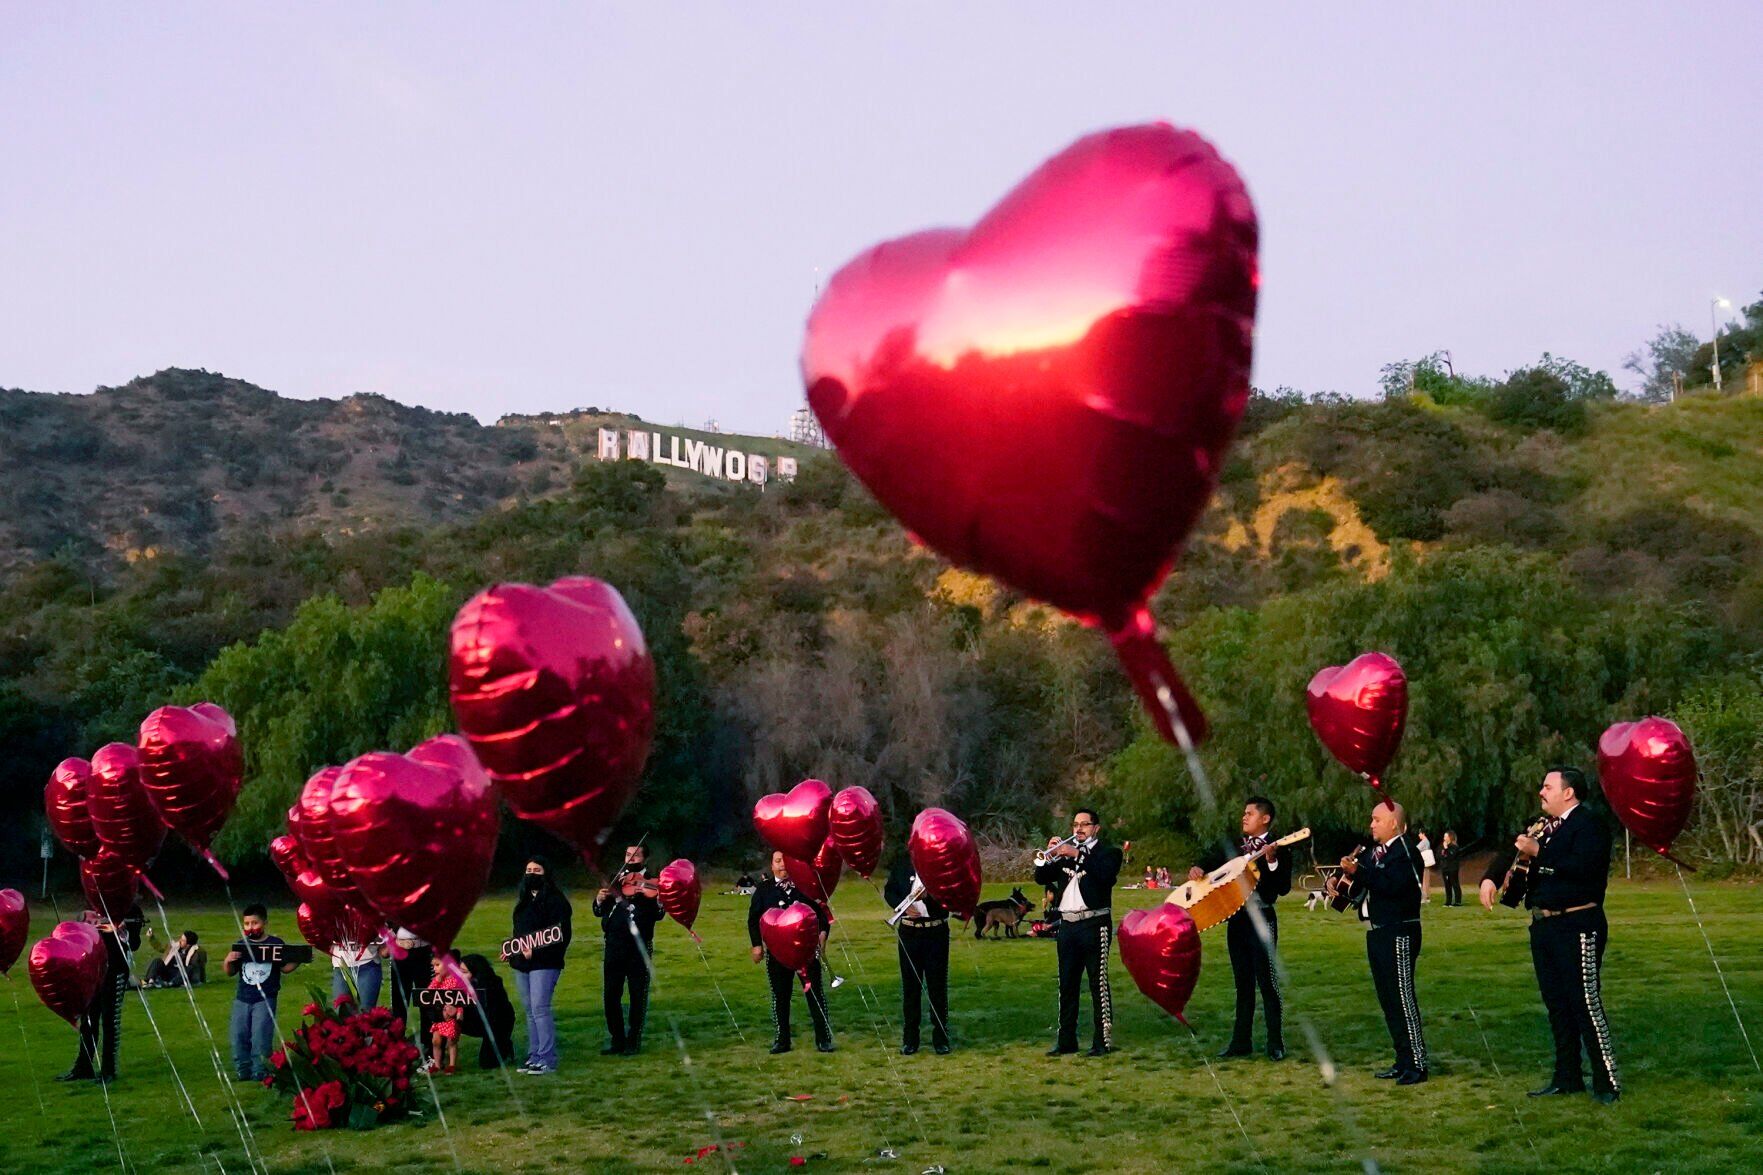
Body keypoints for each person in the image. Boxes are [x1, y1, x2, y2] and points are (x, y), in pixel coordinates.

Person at [1479, 767, 1620, 1104]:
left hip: (1578, 923)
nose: (1541, 792)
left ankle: (1606, 1081)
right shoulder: (1543, 826)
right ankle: (1567, 1076)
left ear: (1568, 793)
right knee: (1556, 1004)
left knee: (1585, 1002)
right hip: (1544, 926)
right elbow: (1512, 849)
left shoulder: (1590, 825)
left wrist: (1540, 852)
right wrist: (1491, 877)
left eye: (1547, 786)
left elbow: (1582, 866)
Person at [1191, 797, 1291, 1061]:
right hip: (1237, 921)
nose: (1244, 817)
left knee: (1267, 981)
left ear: (1265, 818)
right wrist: (1199, 866)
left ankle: (1275, 1042)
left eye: (1249, 813)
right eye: (1243, 813)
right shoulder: (1235, 845)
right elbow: (1210, 857)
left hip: (1263, 919)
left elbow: (1281, 888)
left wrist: (1271, 862)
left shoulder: (1279, 847)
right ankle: (1241, 1041)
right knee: (1242, 983)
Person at [1340, 802, 1427, 1085]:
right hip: (1376, 931)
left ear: (1393, 823)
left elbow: (1393, 885)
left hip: (1399, 930)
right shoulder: (1372, 854)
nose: (1372, 825)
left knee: (1402, 996)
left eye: (1377, 820)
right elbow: (1362, 886)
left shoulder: (1407, 852)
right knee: (1388, 999)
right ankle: (1402, 1059)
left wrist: (1360, 873)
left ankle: (1417, 1061)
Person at [1034, 808, 1122, 1057]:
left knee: (1098, 984)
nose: (1079, 829)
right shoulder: (1063, 854)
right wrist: (1048, 854)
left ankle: (1101, 1041)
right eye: (1075, 824)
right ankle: (1066, 1040)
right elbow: (1041, 877)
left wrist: (1078, 855)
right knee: (1067, 984)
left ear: (1096, 828)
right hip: (1068, 926)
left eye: (1085, 824)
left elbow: (1105, 876)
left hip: (1095, 924)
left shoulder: (1109, 853)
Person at [748, 850, 834, 1054]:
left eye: (786, 862)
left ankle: (823, 1039)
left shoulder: (804, 885)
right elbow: (753, 919)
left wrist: (823, 933)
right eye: (778, 861)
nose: (782, 865)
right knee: (780, 997)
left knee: (815, 995)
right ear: (771, 865)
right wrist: (757, 945)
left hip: (806, 953)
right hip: (777, 954)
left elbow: (822, 914)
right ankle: (782, 1040)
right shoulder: (764, 890)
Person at [59, 902, 143, 1083]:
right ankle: (83, 1067)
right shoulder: (94, 914)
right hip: (92, 973)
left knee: (110, 1022)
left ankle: (108, 1070)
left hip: (115, 972)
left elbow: (134, 943)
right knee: (88, 1021)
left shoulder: (129, 909)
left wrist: (121, 930)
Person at [592, 843, 663, 1056]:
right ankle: (617, 1039)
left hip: (639, 946)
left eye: (636, 855)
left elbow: (659, 914)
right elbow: (599, 911)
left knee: (637, 995)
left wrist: (659, 899)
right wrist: (599, 900)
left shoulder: (652, 881)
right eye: (627, 854)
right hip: (614, 945)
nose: (631, 858)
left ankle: (633, 1040)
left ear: (643, 858)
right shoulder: (615, 879)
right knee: (611, 995)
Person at [507, 855, 572, 1075]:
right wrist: (513, 950)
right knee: (530, 1011)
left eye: (537, 870)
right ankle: (534, 1055)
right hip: (522, 963)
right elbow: (518, 932)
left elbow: (561, 935)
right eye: (529, 870)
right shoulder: (523, 902)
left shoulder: (556, 901)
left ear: (546, 874)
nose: (532, 874)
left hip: (545, 962)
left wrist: (537, 949)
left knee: (540, 1008)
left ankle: (547, 1058)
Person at [223, 904, 301, 1082]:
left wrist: (299, 960)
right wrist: (228, 961)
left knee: (261, 1035)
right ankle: (243, 1068)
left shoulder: (275, 944)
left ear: (264, 922)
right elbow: (230, 971)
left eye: (255, 923)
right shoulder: (241, 945)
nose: (250, 927)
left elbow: (285, 968)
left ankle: (261, 1069)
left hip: (265, 999)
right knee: (239, 1035)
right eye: (247, 923)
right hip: (242, 998)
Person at [885, 853, 950, 1055]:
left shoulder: (940, 866)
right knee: (911, 987)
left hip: (935, 932)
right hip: (910, 931)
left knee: (937, 987)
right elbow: (890, 891)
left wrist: (928, 898)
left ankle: (941, 1038)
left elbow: (948, 904)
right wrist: (902, 907)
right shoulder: (903, 862)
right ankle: (910, 1039)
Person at [457, 954, 518, 1069]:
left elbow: (493, 1014)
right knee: (444, 1020)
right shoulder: (458, 985)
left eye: (464, 972)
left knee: (487, 1064)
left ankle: (505, 1045)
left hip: (497, 1023)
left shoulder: (492, 985)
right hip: (477, 1020)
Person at [426, 951, 469, 1074]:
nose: (435, 969)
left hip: (451, 1017)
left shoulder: (456, 981)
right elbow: (428, 994)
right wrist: (437, 981)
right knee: (436, 1040)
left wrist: (459, 1011)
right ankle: (437, 1064)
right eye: (433, 966)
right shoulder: (437, 980)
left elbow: (461, 998)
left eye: (437, 965)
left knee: (451, 1040)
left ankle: (452, 1064)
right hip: (440, 1017)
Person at [388, 927, 433, 1038]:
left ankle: (428, 1044)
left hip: (424, 951)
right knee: (399, 999)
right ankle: (397, 1042)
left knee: (426, 999)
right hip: (400, 950)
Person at [330, 933, 382, 1010]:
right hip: (340, 965)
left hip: (367, 963)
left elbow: (384, 928)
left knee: (365, 1013)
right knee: (341, 1011)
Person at [1439, 832, 1464, 907]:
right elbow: (1440, 856)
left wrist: (1446, 849)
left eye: (1445, 836)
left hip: (1452, 869)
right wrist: (1443, 852)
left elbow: (1451, 856)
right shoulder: (1442, 846)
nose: (1444, 838)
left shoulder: (1454, 847)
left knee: (1455, 884)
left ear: (1450, 837)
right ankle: (1448, 901)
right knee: (1447, 885)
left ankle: (1458, 901)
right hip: (1445, 869)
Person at [1415, 829, 1436, 902]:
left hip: (1424, 863)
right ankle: (1427, 897)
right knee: (1427, 880)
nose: (1419, 835)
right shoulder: (1427, 842)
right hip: (1427, 864)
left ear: (1423, 834)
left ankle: (1424, 897)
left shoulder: (1424, 842)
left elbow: (1416, 849)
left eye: (1420, 833)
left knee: (1424, 880)